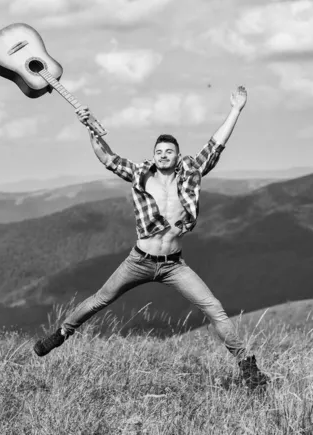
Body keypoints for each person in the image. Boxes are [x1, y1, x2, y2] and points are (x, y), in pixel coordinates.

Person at [34, 85, 269, 390]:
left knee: (214, 308)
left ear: (177, 155)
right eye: (158, 152)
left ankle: (246, 366)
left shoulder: (191, 172)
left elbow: (216, 144)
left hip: (173, 265)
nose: (162, 155)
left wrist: (236, 109)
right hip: (140, 260)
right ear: (153, 156)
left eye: (168, 151)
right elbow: (108, 158)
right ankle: (62, 333)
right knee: (100, 300)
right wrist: (92, 131)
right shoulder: (141, 175)